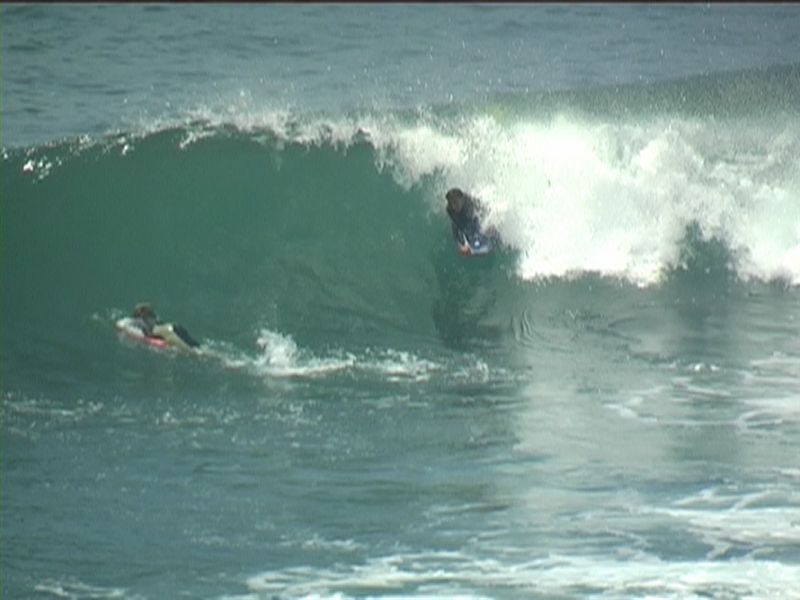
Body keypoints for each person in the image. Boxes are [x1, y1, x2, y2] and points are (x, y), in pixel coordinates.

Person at [445, 187, 498, 256]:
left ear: (462, 200)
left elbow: (483, 213)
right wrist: (460, 246)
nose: (455, 206)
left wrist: (489, 224)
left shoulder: (470, 205)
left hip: (478, 214)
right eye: (453, 203)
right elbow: (455, 227)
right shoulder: (450, 210)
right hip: (465, 220)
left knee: (481, 228)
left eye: (457, 202)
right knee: (461, 225)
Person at [129, 302, 200, 350]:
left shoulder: (141, 320)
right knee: (196, 347)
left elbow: (148, 332)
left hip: (167, 331)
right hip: (173, 326)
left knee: (190, 351)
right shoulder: (155, 318)